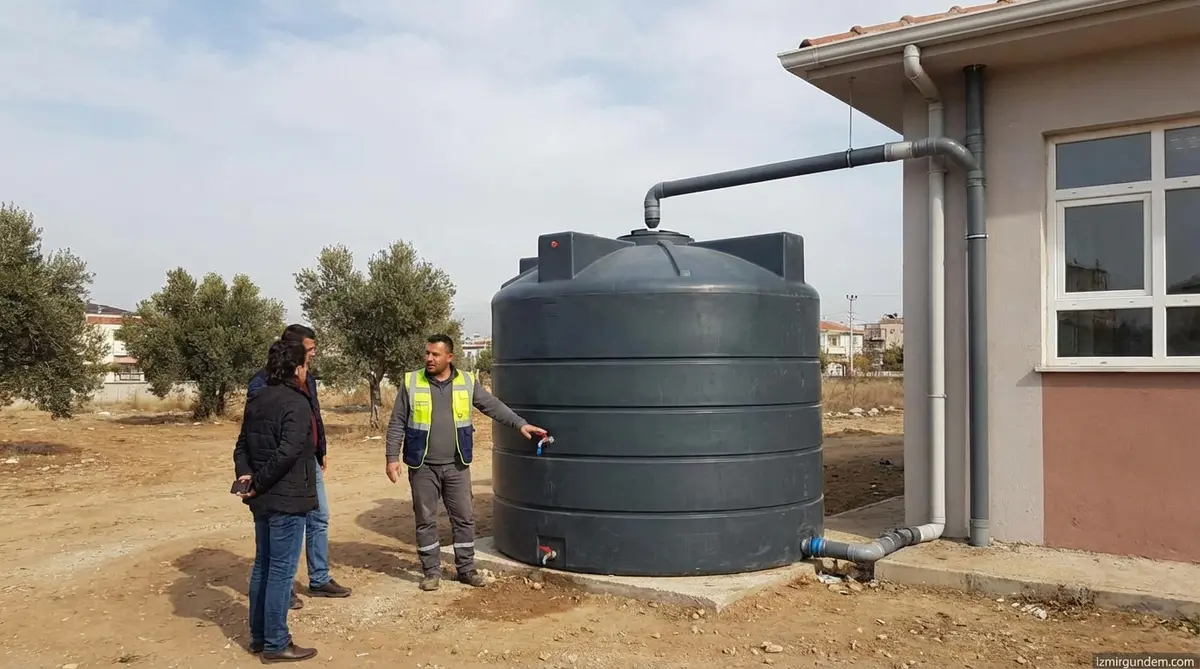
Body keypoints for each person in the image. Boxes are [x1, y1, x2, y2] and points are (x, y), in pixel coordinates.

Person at [384, 333, 547, 591]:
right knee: (425, 519)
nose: (429, 358)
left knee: (464, 519)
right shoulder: (411, 382)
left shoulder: (466, 382)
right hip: (422, 465)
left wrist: (520, 424)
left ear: (449, 357)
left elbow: (491, 405)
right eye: (427, 353)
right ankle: (431, 572)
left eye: (435, 354)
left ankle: (466, 570)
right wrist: (391, 457)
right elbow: (397, 422)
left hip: (457, 464)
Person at [248, 324, 351, 608]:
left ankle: (319, 578)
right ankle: (283, 587)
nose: (314, 353)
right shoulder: (261, 383)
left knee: (319, 517)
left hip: (308, 461)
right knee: (286, 528)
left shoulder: (309, 378)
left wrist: (322, 449)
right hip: (281, 468)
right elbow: (256, 431)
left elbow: (314, 415)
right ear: (293, 348)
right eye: (310, 348)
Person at [232, 339, 320, 662]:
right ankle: (276, 642)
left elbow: (241, 446)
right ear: (297, 369)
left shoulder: (256, 400)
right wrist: (257, 481)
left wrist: (246, 477)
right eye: (305, 366)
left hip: (262, 501)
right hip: (287, 499)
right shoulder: (297, 404)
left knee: (263, 566)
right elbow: (287, 453)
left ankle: (258, 637)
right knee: (281, 571)